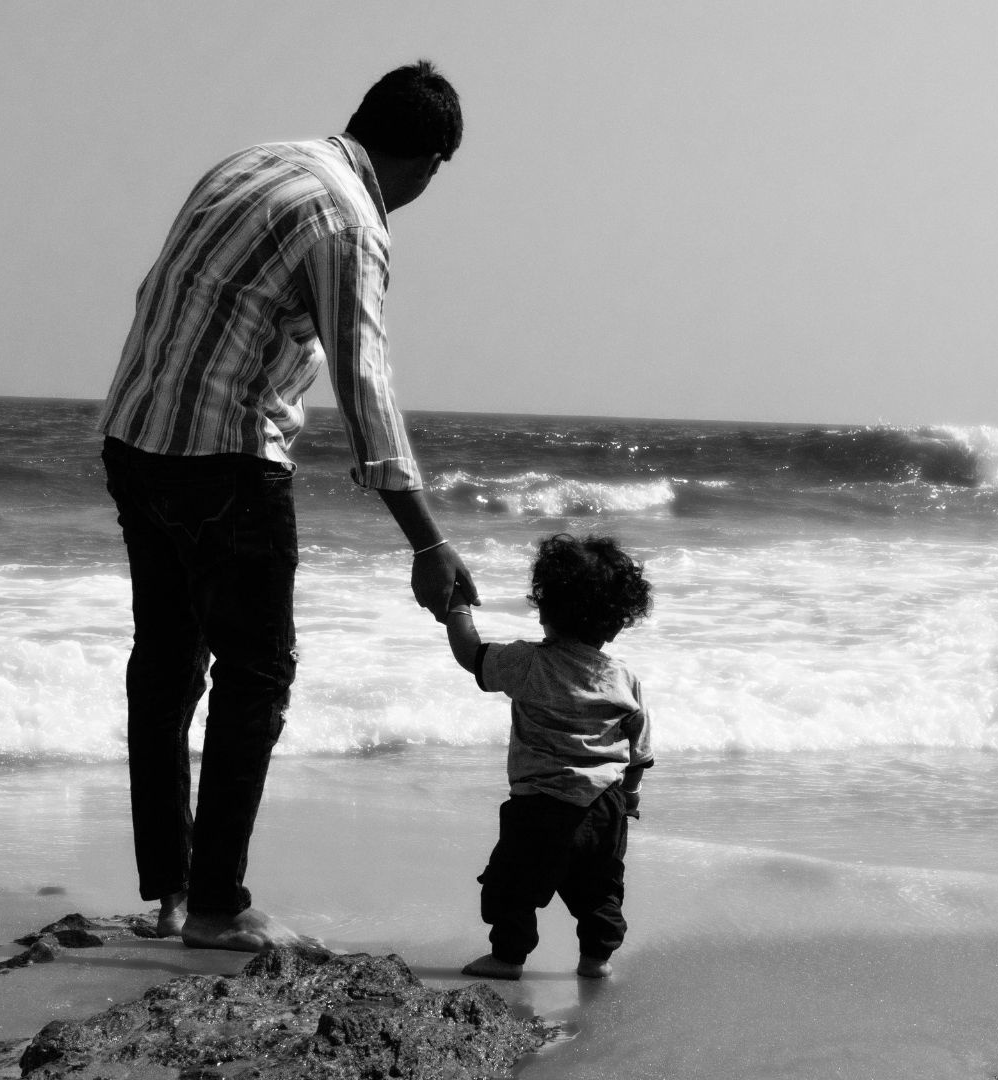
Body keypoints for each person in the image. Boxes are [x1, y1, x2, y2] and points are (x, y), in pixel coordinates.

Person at [98, 61, 477, 952]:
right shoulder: (348, 220)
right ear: (429, 160)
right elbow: (363, 381)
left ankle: (171, 891)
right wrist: (428, 543)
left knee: (166, 667)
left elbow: (153, 292)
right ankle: (217, 906)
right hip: (226, 461)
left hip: (134, 437)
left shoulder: (254, 162)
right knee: (257, 675)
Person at [446, 534, 654, 980]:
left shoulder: (527, 662)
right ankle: (596, 959)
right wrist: (631, 798)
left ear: (544, 610)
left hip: (538, 806)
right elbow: (638, 749)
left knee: (512, 885)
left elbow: (470, 654)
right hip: (604, 808)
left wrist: (456, 606)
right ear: (617, 625)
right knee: (600, 888)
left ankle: (507, 958)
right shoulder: (624, 678)